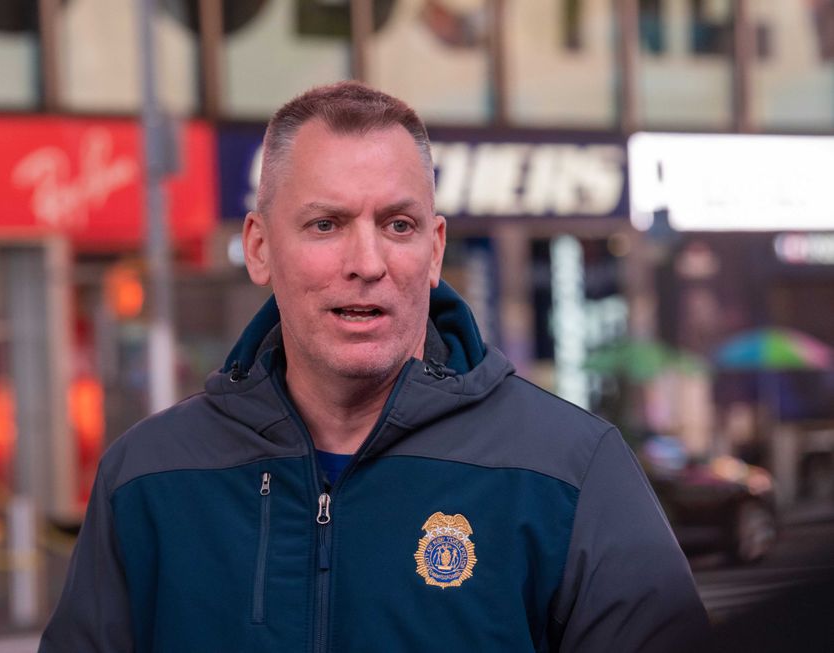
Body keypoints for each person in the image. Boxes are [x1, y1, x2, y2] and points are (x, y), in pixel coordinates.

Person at [39, 81, 709, 652]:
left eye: (397, 224)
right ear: (260, 247)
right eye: (326, 224)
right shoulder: (149, 481)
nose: (367, 262)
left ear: (435, 247)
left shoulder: (569, 471)